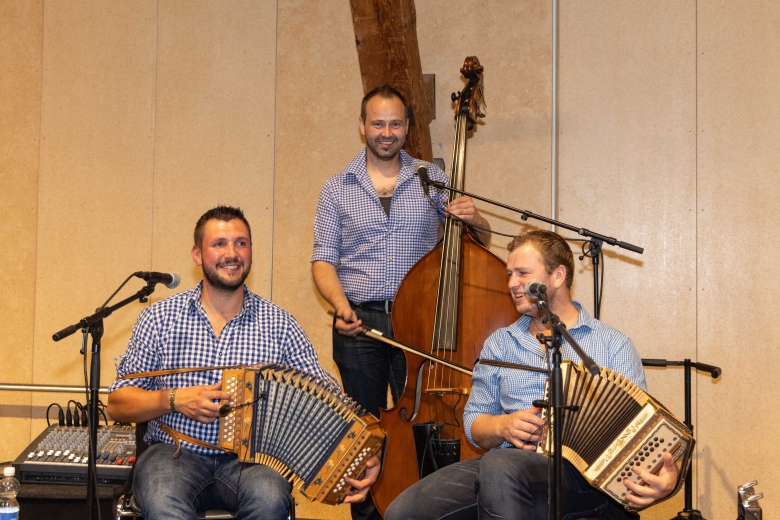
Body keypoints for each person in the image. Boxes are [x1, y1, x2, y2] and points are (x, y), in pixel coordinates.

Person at [107, 206, 379, 520]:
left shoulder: (280, 324)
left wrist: (364, 453)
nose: (232, 253)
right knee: (161, 498)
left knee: (270, 498)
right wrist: (174, 399)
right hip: (174, 453)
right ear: (197, 255)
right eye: (219, 243)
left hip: (250, 463)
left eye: (241, 243)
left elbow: (326, 397)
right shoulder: (159, 318)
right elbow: (118, 403)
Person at [384, 230, 679, 520]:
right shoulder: (499, 343)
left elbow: (643, 432)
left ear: (558, 276)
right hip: (505, 464)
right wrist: (503, 426)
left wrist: (667, 481)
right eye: (509, 274)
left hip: (583, 477)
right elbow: (474, 421)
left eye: (523, 273)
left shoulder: (613, 345)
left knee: (501, 467)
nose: (512, 283)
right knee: (403, 512)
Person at [311, 84, 490, 520]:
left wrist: (477, 219)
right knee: (364, 435)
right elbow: (322, 259)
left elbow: (477, 245)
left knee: (424, 429)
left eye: (395, 123)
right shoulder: (337, 188)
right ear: (362, 127)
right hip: (361, 325)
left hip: (420, 323)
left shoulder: (433, 178)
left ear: (407, 128)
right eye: (377, 123)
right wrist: (340, 305)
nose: (386, 132)